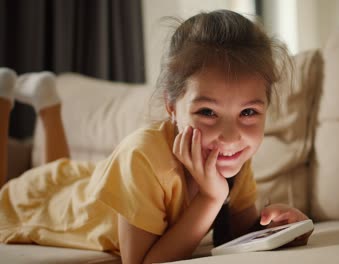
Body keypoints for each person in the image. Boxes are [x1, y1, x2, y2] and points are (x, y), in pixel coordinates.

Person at [0, 9, 310, 264]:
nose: (230, 137)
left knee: (59, 169)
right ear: (172, 107)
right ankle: (3, 99)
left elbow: (236, 237)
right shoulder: (143, 155)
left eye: (248, 113)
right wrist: (211, 197)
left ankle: (47, 104)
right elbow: (142, 262)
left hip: (83, 180)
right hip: (38, 205)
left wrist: (280, 231)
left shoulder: (234, 157)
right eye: (207, 112)